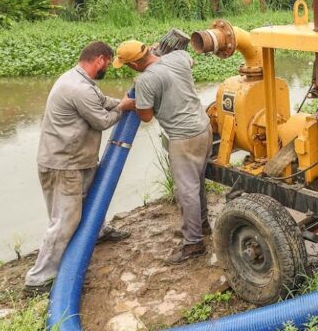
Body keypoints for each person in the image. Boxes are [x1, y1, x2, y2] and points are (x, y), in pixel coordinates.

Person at [24, 42, 135, 294]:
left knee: (89, 199)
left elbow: (102, 101)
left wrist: (120, 101)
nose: (108, 67)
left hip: (76, 159)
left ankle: (98, 230)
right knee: (65, 219)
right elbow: (102, 120)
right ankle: (38, 279)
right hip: (64, 164)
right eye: (108, 62)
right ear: (99, 59)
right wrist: (124, 107)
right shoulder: (78, 88)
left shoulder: (79, 80)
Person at [114, 40, 213, 264]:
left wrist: (132, 104)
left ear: (134, 65)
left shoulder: (145, 80)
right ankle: (202, 224)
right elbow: (191, 60)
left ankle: (194, 243)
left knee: (186, 190)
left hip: (183, 137)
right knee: (196, 182)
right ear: (149, 49)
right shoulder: (178, 57)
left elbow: (146, 116)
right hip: (204, 128)